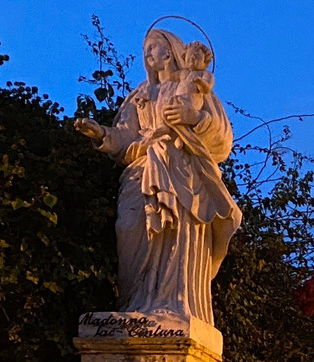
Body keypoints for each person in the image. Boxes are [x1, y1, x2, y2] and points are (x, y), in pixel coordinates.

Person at [75, 28, 240, 326]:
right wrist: (102, 134)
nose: (148, 55)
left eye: (154, 47)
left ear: (171, 51)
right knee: (129, 229)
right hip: (142, 172)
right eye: (145, 49)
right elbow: (126, 136)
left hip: (181, 174)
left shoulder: (194, 87)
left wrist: (195, 119)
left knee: (176, 237)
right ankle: (134, 304)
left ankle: (173, 304)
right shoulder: (140, 95)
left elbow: (223, 138)